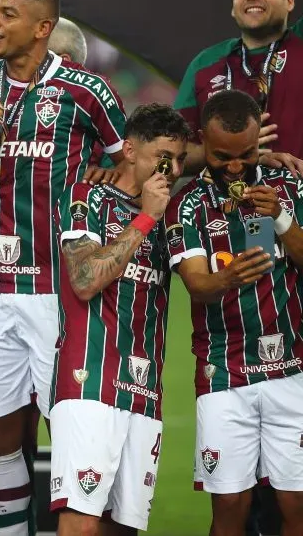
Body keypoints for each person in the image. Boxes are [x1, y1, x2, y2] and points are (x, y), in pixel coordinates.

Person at [0, 0, 127, 535]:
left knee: (71, 431)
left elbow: (136, 164)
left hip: (59, 294)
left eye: (8, 14)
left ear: (44, 28)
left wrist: (113, 174)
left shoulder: (85, 93)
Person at [50, 104, 192, 535]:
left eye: (180, 158)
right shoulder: (87, 197)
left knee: (122, 528)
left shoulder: (173, 213)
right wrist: (146, 216)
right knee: (82, 524)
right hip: (89, 380)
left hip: (145, 387)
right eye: (162, 156)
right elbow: (85, 280)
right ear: (129, 150)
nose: (171, 167)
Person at [166, 90, 303, 536]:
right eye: (223, 156)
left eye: (245, 154)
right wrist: (229, 278)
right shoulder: (186, 204)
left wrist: (282, 220)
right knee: (229, 509)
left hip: (293, 370)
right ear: (202, 139)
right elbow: (197, 285)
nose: (235, 166)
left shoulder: (291, 186)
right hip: (225, 375)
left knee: (294, 508)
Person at [177, 0, 303, 171]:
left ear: (289, 0)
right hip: (225, 203)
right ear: (234, 7)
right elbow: (173, 153)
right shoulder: (204, 64)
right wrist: (228, 147)